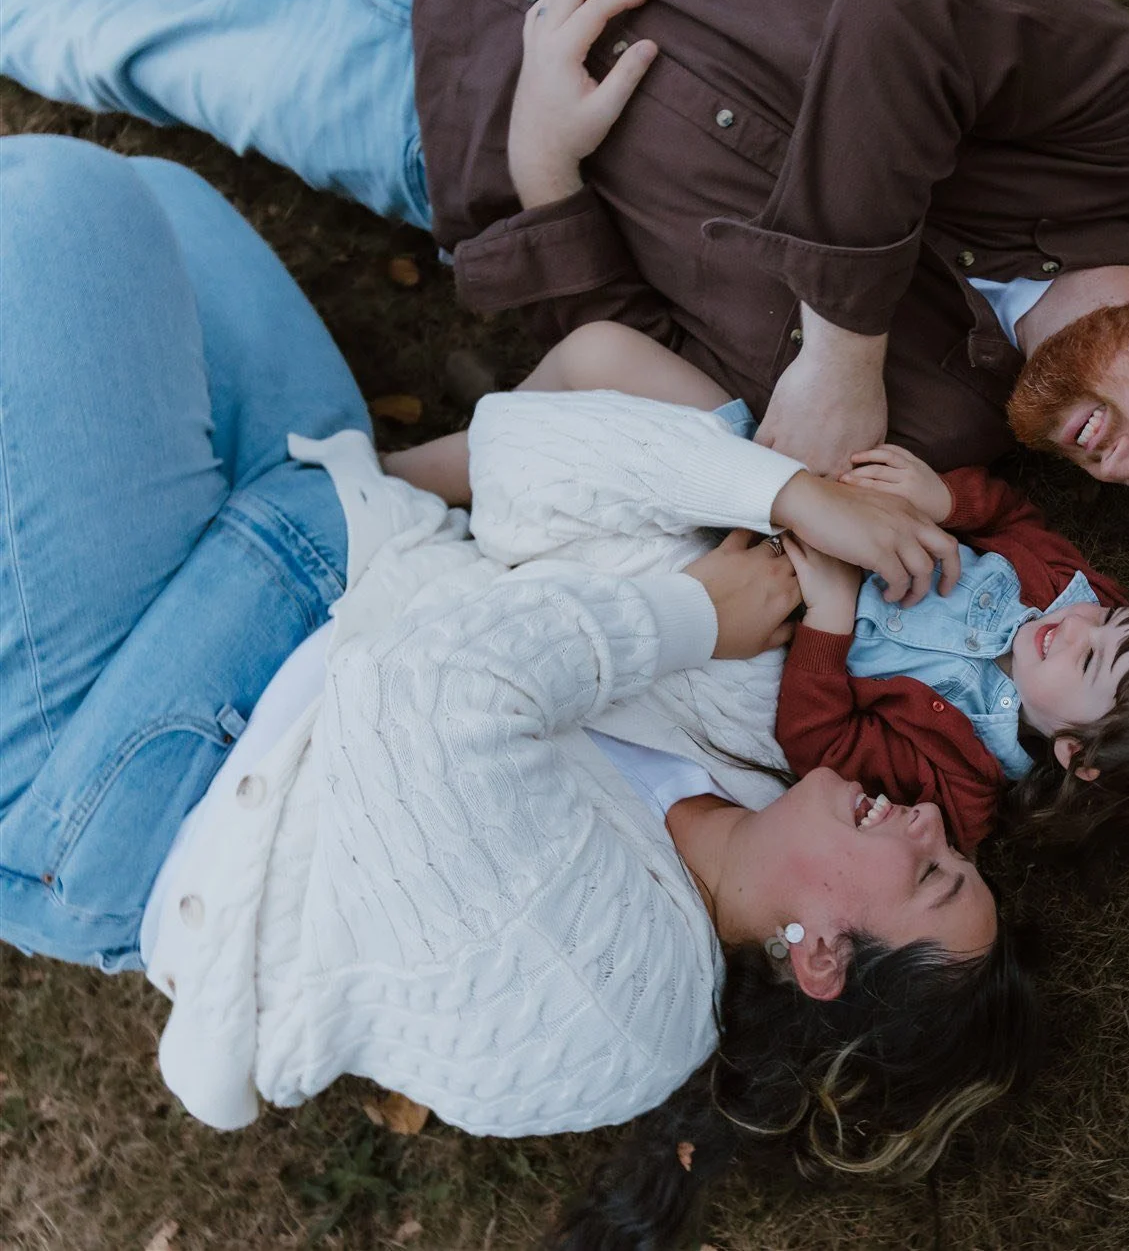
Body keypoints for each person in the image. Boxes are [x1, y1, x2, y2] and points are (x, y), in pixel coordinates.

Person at [0, 135, 1039, 1248]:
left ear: (823, 954)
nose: (927, 821)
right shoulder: (756, 745)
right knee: (166, 204)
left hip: (133, 765)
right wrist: (784, 493)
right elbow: (545, 463)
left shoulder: (618, 1014)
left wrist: (693, 614)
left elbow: (423, 695)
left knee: (62, 204)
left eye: (930, 873)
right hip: (329, 534)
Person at [0, 0, 1129, 511]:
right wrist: (843, 349)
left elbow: (628, 356)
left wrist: (542, 167)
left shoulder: (930, 438)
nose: (1122, 466)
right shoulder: (1119, 128)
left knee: (96, 50)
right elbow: (900, 27)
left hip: (423, 122)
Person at [388, 322, 1129, 857]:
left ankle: (430, 492)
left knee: (569, 506)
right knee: (603, 355)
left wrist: (827, 616)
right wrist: (941, 499)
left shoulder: (958, 784)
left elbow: (821, 741)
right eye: (1115, 618)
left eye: (1091, 661)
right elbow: (1008, 514)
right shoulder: (1064, 587)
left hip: (752, 602)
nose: (1078, 622)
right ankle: (443, 459)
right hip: (782, 485)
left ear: (1077, 756)